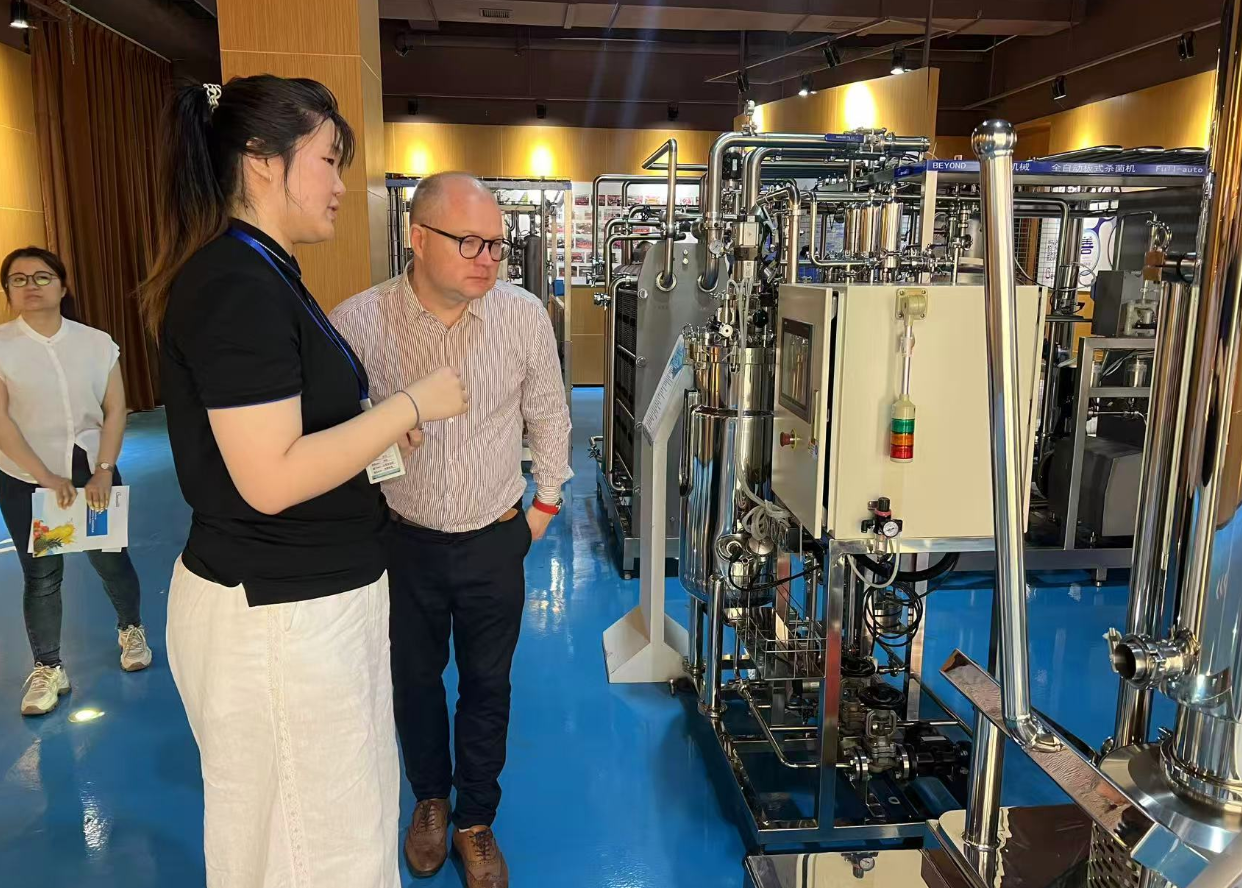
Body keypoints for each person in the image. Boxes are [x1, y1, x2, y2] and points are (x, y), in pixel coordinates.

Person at [140, 76, 467, 888]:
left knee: (333, 833)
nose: (341, 185)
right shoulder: (235, 284)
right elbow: (270, 478)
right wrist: (408, 406)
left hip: (312, 605)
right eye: (327, 160)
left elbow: (298, 435)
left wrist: (377, 427)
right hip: (279, 617)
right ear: (261, 161)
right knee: (308, 850)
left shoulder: (266, 272)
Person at [332, 172, 571, 888]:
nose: (487, 258)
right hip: (403, 538)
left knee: (488, 685)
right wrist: (380, 444)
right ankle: (430, 800)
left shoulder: (522, 316)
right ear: (417, 237)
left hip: (497, 535)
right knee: (413, 680)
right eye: (469, 241)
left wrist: (542, 510)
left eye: (496, 244)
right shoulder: (358, 322)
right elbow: (337, 432)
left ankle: (475, 819)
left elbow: (549, 414)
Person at [0, 246, 151, 716]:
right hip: (26, 477)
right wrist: (44, 476)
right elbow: (1, 421)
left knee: (111, 559)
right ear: (7, 292)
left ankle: (130, 628)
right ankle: (49, 666)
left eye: (42, 277)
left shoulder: (96, 343)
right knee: (41, 574)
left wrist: (104, 469)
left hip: (92, 471)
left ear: (63, 286)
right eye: (18, 279)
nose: (31, 285)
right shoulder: (2, 347)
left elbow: (114, 409)